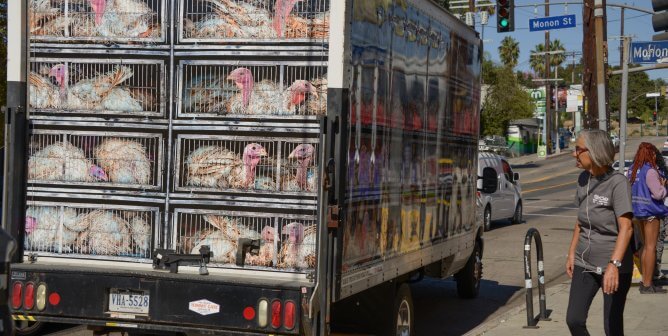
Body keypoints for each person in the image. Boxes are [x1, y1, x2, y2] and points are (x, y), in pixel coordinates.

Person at [566, 130, 634, 336]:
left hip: (613, 265)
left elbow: (627, 228)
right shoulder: (582, 179)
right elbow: (581, 221)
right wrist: (571, 253)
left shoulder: (618, 183)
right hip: (584, 262)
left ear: (594, 152)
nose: (574, 154)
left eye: (578, 149)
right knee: (574, 320)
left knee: (611, 326)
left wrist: (613, 265)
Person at [627, 142, 668, 293]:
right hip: (651, 213)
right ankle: (647, 284)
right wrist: (663, 186)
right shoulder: (650, 171)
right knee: (651, 248)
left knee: (645, 247)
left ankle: (646, 280)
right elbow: (658, 194)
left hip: (637, 213)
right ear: (651, 154)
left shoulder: (633, 170)